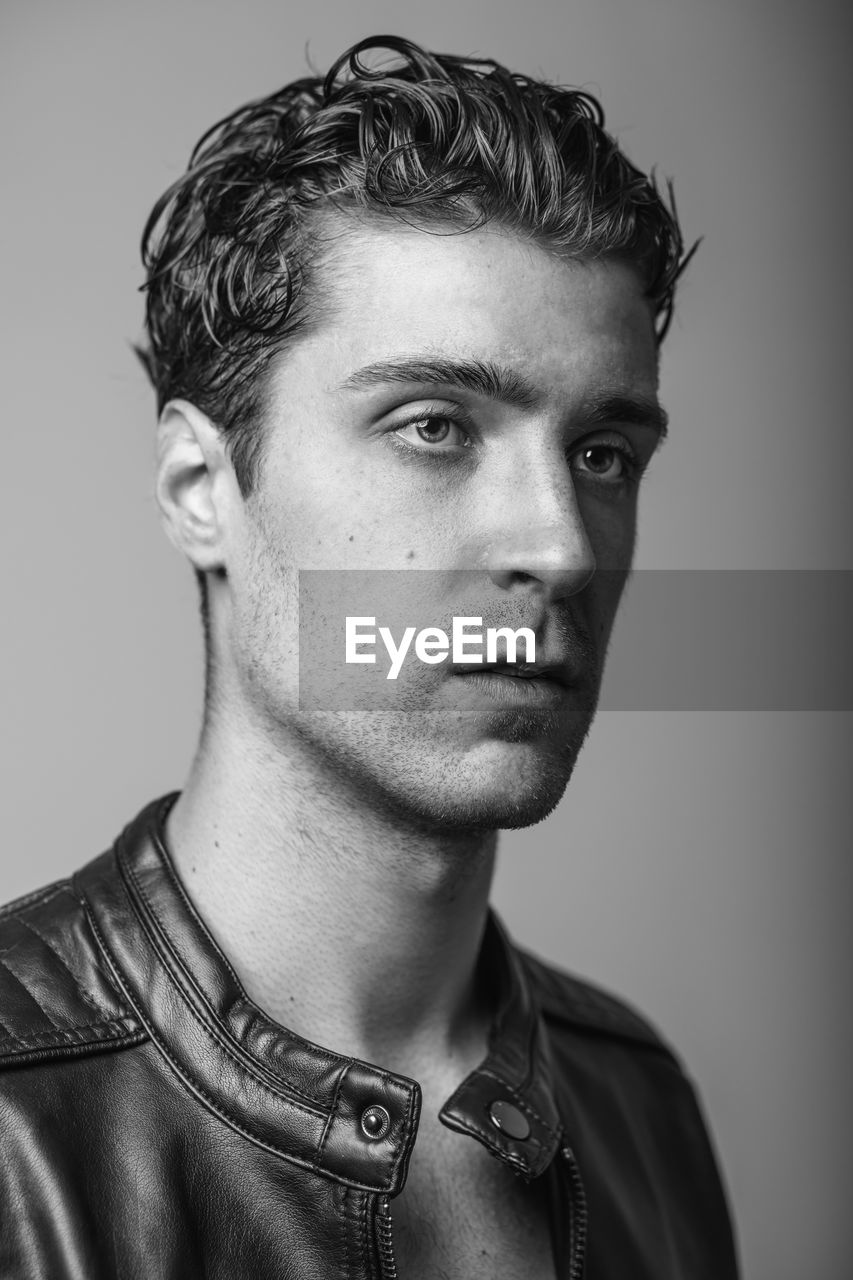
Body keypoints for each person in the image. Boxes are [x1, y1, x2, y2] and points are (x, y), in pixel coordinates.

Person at [0, 34, 739, 1279]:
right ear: (201, 486)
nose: (559, 546)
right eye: (435, 427)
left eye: (603, 452)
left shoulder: (640, 1105)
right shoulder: (19, 1124)